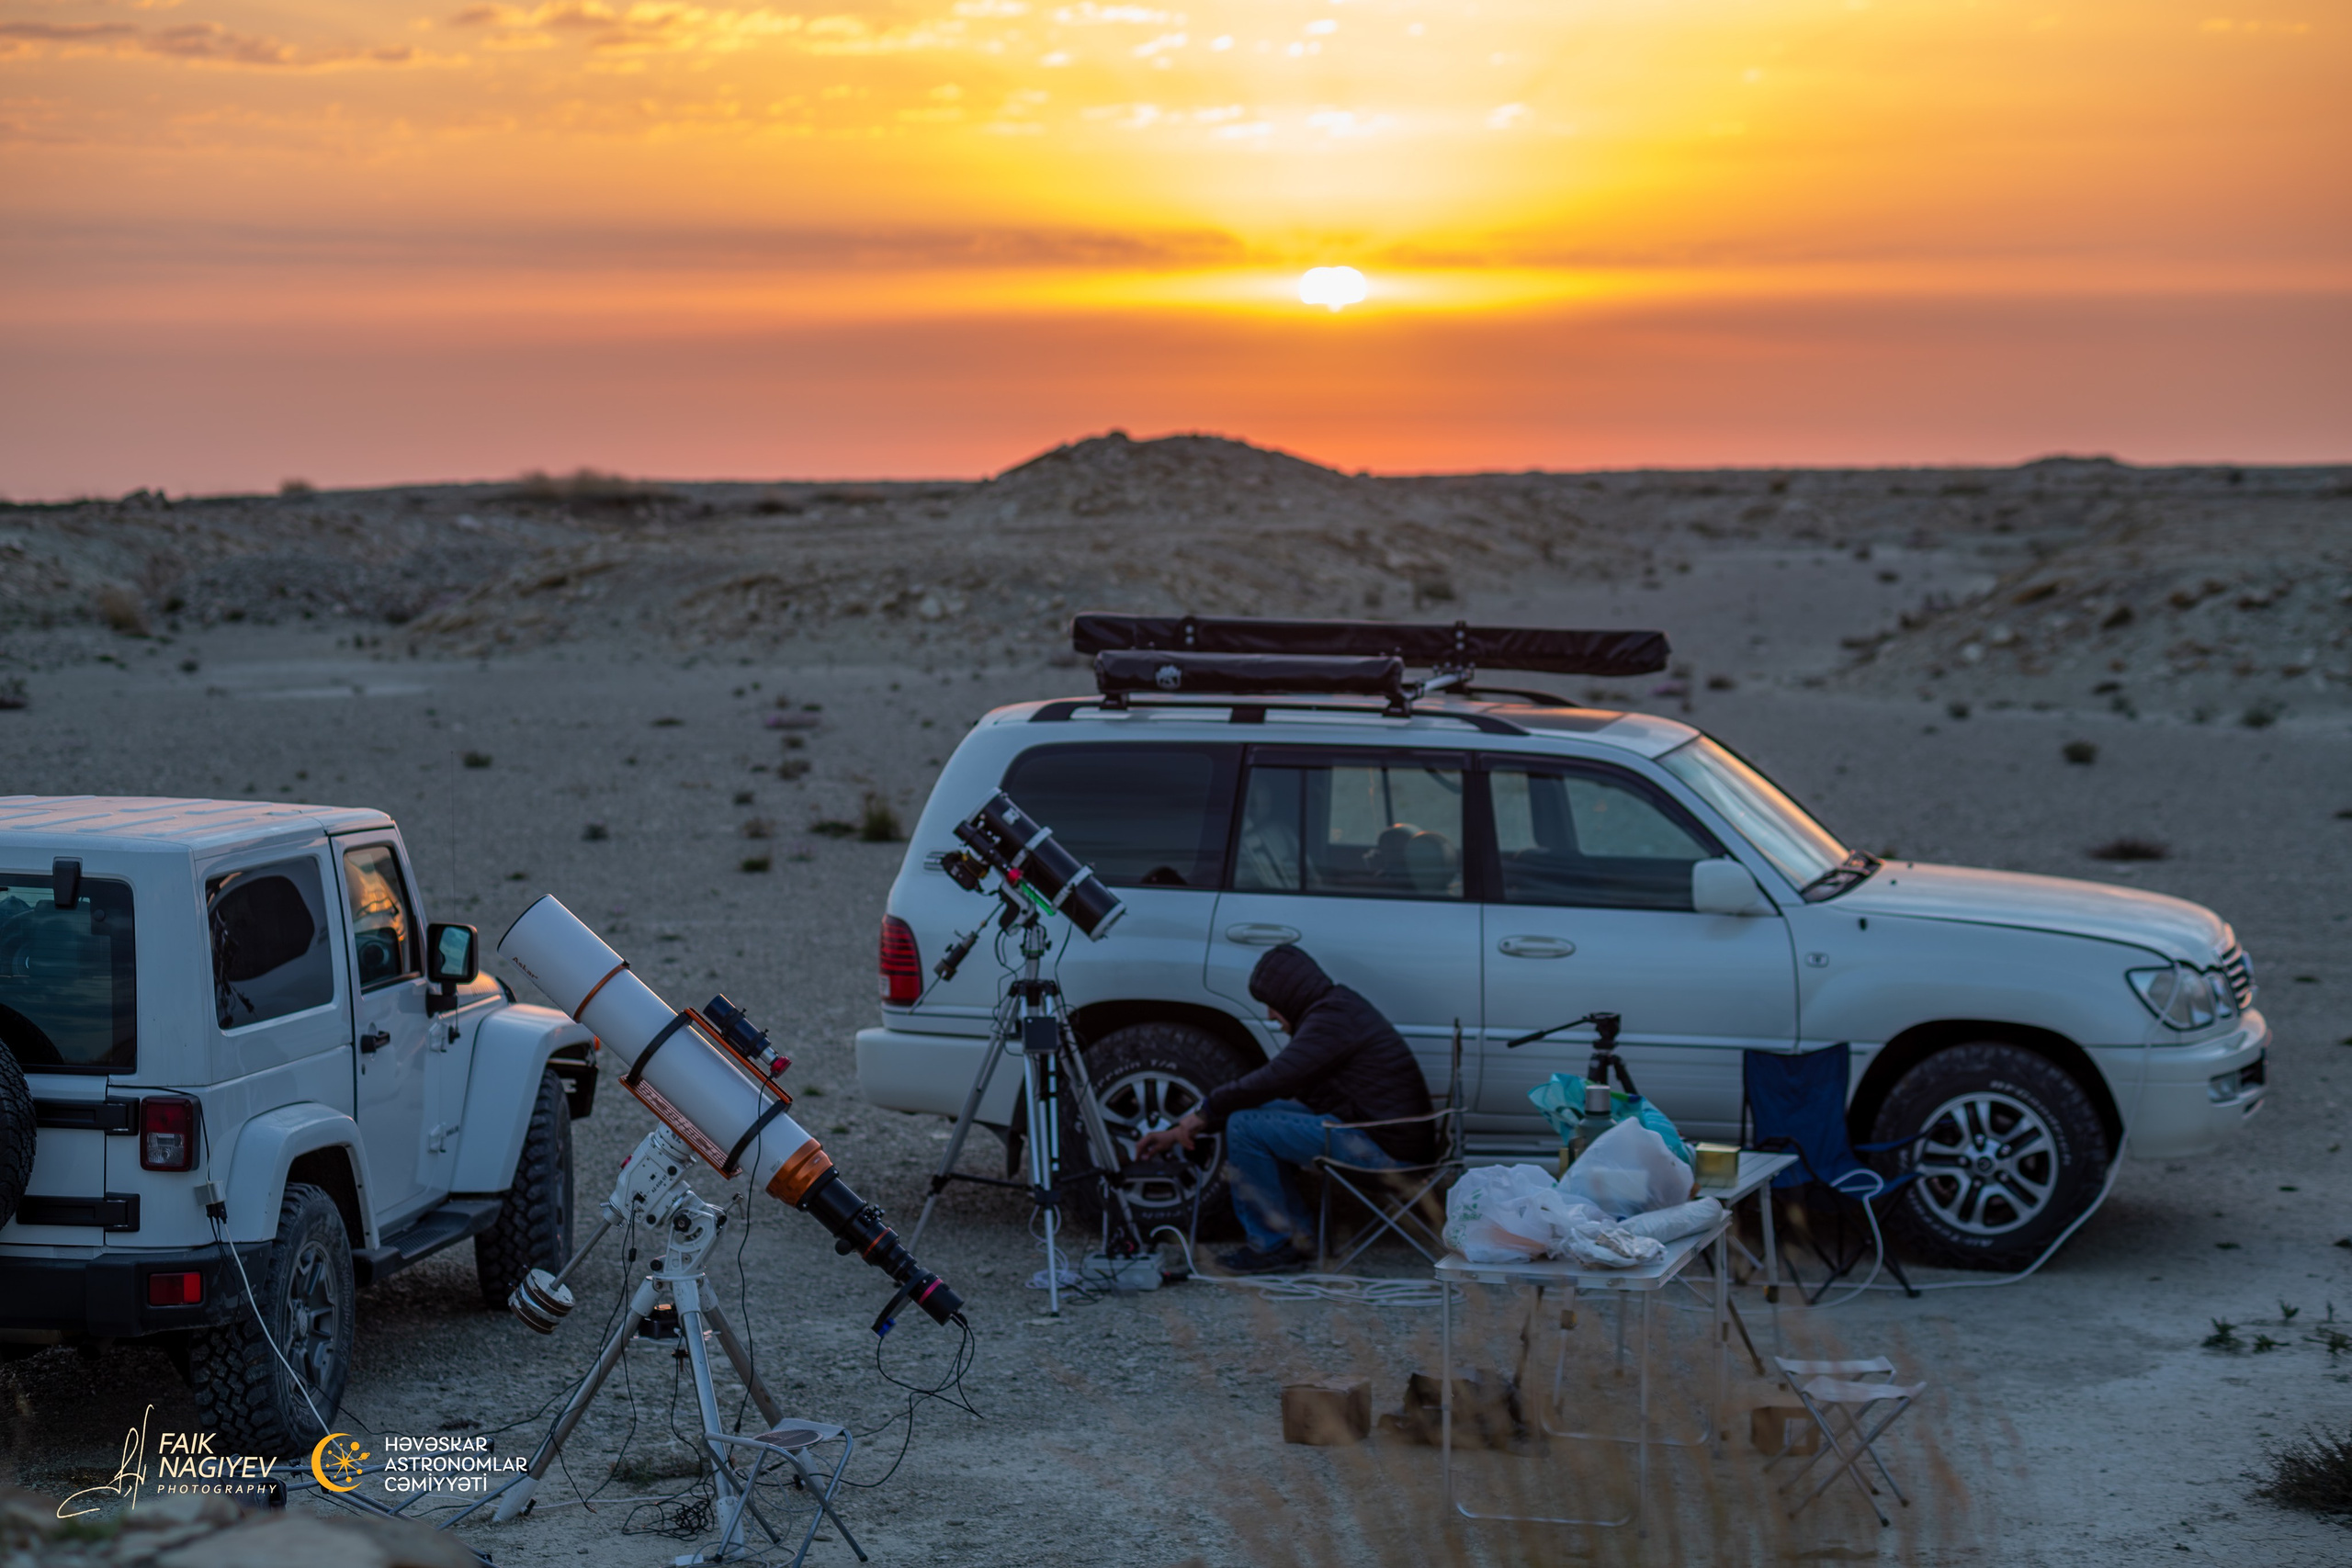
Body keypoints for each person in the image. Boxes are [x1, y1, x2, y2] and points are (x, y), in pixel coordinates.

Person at [1135, 944, 1435, 1273]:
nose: (1270, 1016)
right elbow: (1282, 1090)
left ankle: (1274, 1245)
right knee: (1252, 1116)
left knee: (1246, 1127)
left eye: (1271, 1006)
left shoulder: (1333, 1020)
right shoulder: (1336, 1011)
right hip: (1377, 1136)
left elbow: (1274, 1078)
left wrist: (1205, 1111)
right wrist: (1188, 1127)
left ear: (1289, 997)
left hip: (1389, 1156)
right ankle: (1295, 1239)